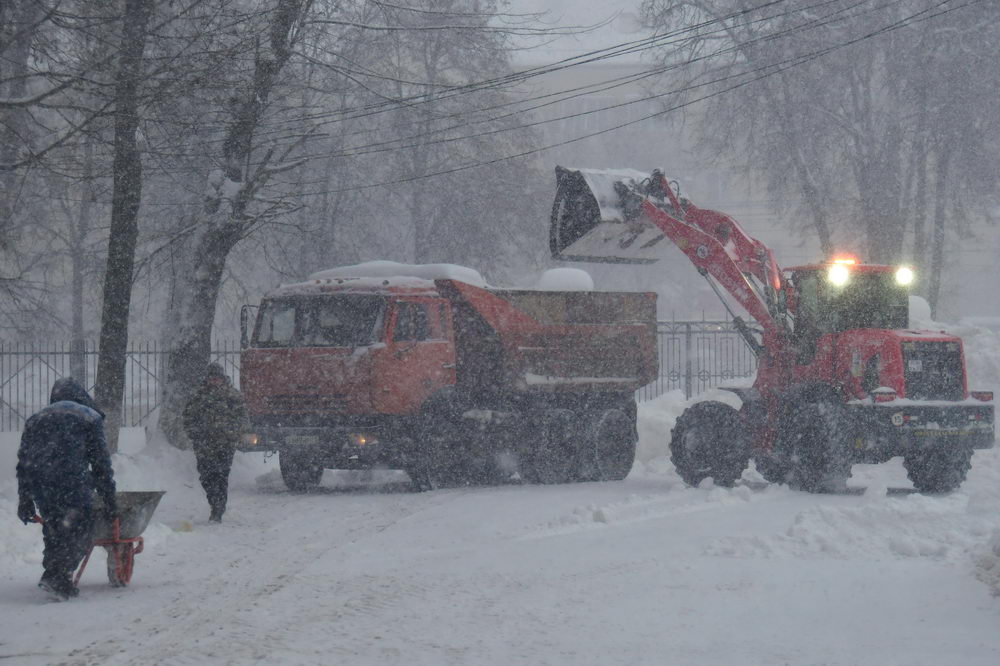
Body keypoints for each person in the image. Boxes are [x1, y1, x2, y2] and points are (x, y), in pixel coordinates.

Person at [16, 377, 118, 601]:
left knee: (54, 527)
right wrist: (110, 500)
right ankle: (58, 577)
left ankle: (55, 576)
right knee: (81, 528)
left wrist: (25, 498)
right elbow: (101, 464)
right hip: (72, 482)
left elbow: (24, 462)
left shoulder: (36, 419)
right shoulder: (88, 417)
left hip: (42, 483)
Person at [182, 362, 248, 522]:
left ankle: (218, 508)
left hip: (225, 444)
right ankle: (214, 501)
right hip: (204, 444)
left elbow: (243, 419)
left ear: (222, 378)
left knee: (221, 474)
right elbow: (188, 417)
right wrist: (195, 433)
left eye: (217, 378)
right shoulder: (198, 396)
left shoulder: (233, 396)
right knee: (206, 476)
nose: (214, 381)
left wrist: (232, 433)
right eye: (212, 378)